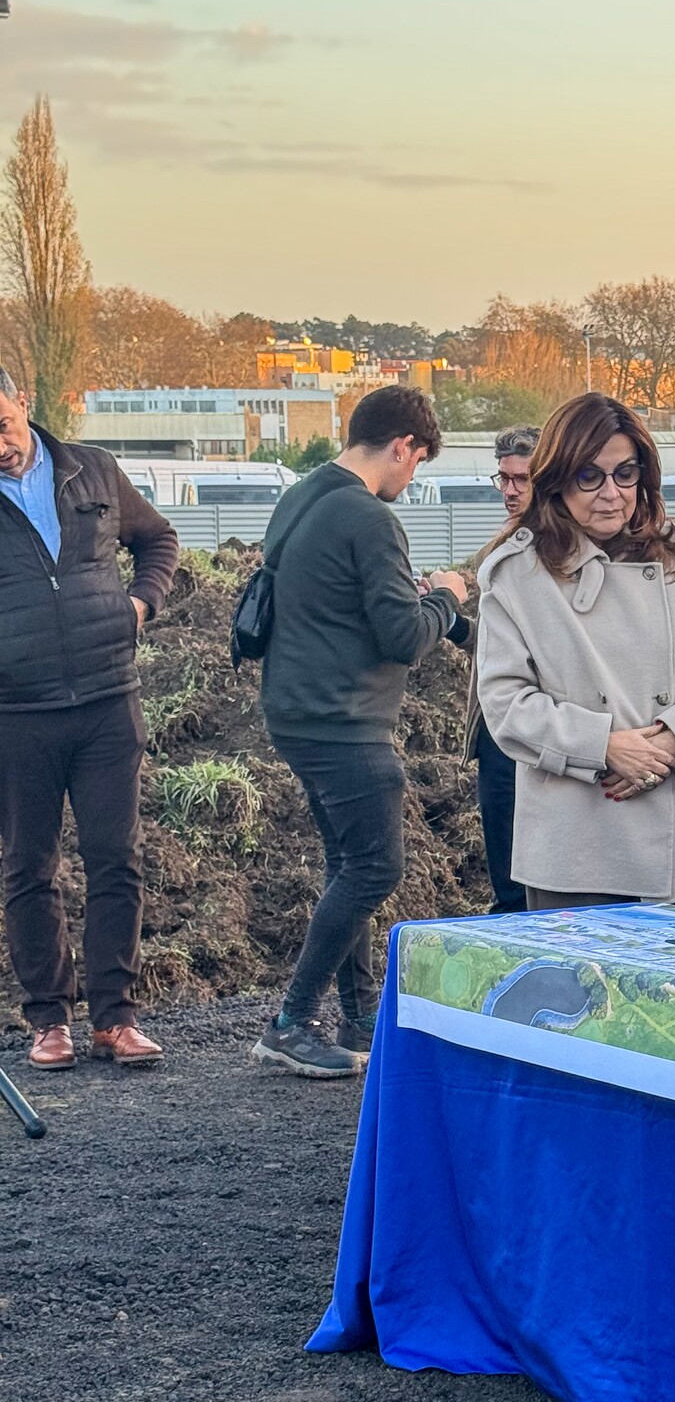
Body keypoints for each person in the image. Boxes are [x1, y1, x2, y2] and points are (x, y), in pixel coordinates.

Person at [250, 385, 469, 1080]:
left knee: (349, 866)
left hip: (297, 710)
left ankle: (361, 1016)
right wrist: (449, 597)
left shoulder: (304, 494)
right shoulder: (369, 518)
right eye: (418, 464)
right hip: (343, 720)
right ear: (403, 446)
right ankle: (292, 1021)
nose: (413, 479)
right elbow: (403, 637)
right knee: (377, 869)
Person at [475, 392, 675, 909]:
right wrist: (604, 747)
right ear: (558, 477)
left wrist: (672, 742)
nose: (611, 493)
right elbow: (506, 704)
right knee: (579, 990)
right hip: (575, 841)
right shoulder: (517, 575)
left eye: (625, 473)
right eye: (590, 476)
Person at [0, 364, 178, 1070]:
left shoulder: (93, 472)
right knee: (28, 866)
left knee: (116, 858)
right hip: (16, 713)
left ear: (24, 404)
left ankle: (116, 1017)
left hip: (108, 700)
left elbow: (159, 541)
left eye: (2, 427)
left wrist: (141, 604)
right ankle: (48, 1020)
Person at [460, 424, 539, 913]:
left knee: (530, 885)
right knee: (507, 874)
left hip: (542, 729)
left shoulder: (556, 549)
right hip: (496, 723)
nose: (509, 490)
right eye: (503, 478)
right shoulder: (498, 547)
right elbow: (483, 636)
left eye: (521, 479)